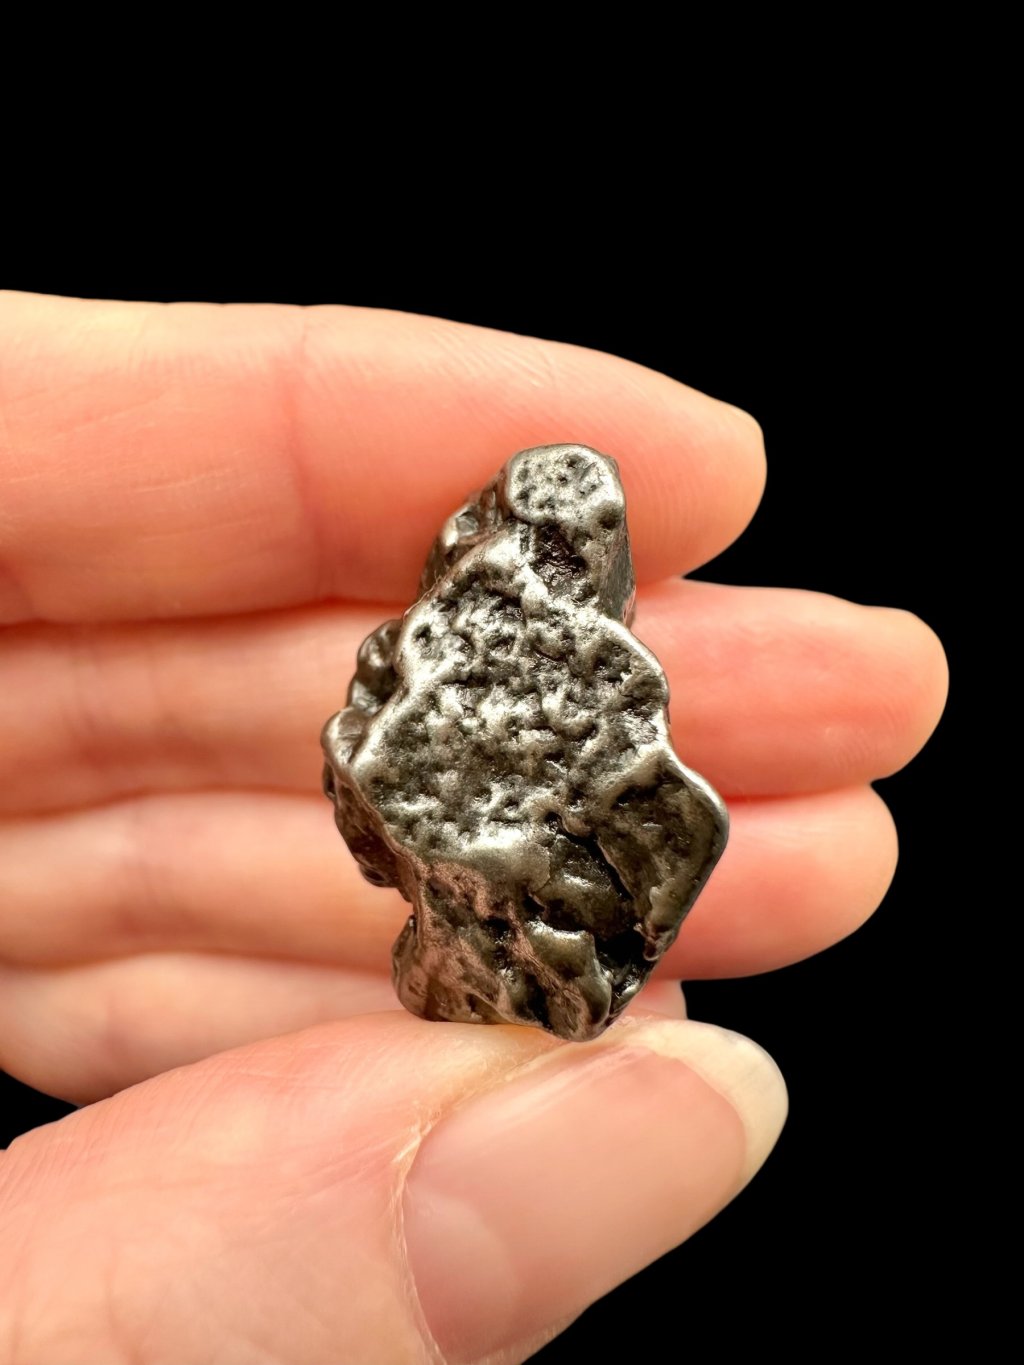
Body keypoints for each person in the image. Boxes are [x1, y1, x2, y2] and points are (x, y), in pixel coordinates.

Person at [0, 292, 947, 1364]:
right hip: (488, 860)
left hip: (522, 862)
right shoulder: (488, 663)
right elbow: (390, 761)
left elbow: (618, 814)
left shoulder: (553, 681)